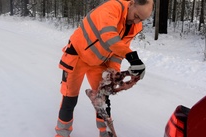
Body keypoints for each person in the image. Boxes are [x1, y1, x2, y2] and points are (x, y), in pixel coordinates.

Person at [55, 0, 153, 137]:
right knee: (70, 98)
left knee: (103, 98)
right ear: (131, 4)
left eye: (141, 20)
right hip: (77, 56)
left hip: (99, 61)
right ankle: (62, 133)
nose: (136, 21)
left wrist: (113, 71)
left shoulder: (134, 26)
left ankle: (105, 133)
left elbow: (118, 51)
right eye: (136, 16)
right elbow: (109, 36)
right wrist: (132, 57)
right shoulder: (111, 8)